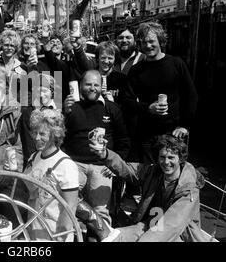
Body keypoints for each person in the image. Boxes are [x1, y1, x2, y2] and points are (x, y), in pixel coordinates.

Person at [89, 134, 209, 242]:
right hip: (149, 225)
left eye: (171, 157)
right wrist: (105, 154)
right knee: (113, 237)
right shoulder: (153, 171)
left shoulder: (189, 189)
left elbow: (172, 224)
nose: (166, 162)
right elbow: (127, 169)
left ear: (181, 159)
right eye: (162, 157)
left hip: (179, 235)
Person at [121, 22, 198, 164]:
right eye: (144, 42)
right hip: (147, 134)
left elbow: (191, 96)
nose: (148, 46)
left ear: (160, 41)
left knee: (172, 175)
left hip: (173, 132)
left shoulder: (176, 64)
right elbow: (126, 101)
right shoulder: (136, 70)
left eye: (151, 41)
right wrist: (147, 108)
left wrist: (184, 125)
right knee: (149, 175)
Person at [62, 70, 130, 226]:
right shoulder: (71, 106)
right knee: (65, 204)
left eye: (96, 85)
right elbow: (59, 136)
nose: (92, 88)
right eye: (88, 84)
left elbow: (124, 141)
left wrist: (115, 166)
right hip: (74, 165)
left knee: (101, 212)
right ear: (80, 86)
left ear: (101, 87)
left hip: (102, 167)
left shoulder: (111, 108)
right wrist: (64, 113)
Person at [23, 108, 79, 241]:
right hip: (34, 228)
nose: (37, 138)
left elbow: (70, 207)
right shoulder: (34, 157)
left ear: (55, 134)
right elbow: (31, 191)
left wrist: (61, 236)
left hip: (54, 234)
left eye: (42, 134)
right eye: (35, 132)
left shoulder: (66, 165)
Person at [94, 41, 127, 106]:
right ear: (98, 58)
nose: (106, 61)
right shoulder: (90, 77)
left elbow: (125, 105)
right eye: (103, 58)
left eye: (110, 58)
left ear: (115, 59)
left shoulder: (122, 79)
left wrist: (113, 103)